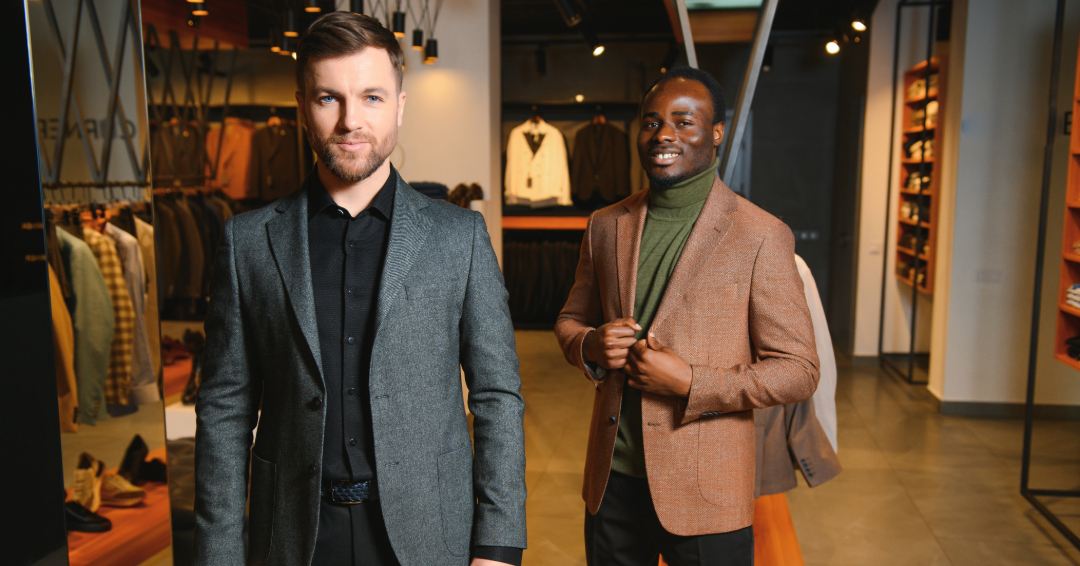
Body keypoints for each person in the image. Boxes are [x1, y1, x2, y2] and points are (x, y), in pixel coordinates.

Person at [193, 12, 525, 566]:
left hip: (427, 534)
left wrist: (497, 545)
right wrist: (218, 552)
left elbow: (496, 396)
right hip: (293, 536)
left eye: (371, 97)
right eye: (329, 98)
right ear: (303, 107)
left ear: (399, 103)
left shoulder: (458, 238)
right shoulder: (247, 243)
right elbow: (225, 408)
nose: (351, 120)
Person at [554, 66, 819, 566]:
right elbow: (570, 320)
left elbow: (799, 370)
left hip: (708, 491)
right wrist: (590, 344)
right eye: (652, 122)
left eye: (684, 121)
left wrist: (692, 382)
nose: (664, 136)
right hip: (612, 482)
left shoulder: (761, 235)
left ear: (716, 133)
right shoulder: (606, 224)